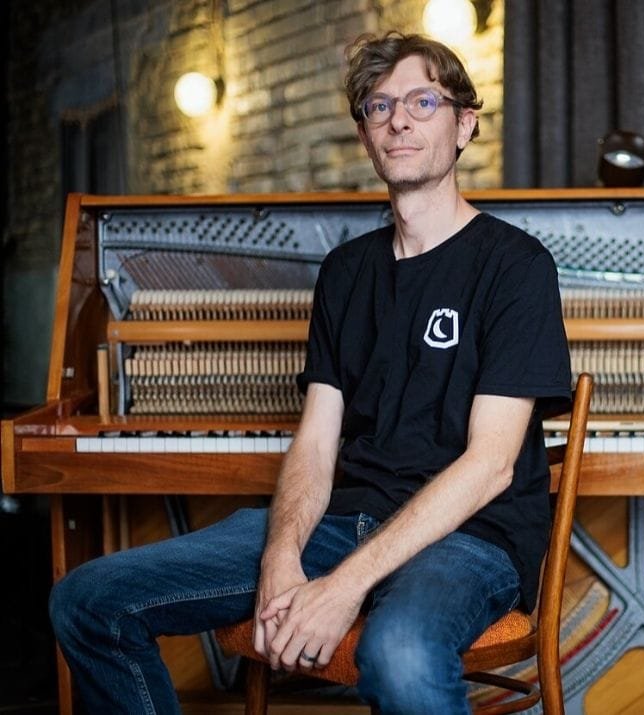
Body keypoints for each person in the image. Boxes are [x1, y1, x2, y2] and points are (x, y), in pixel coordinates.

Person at [49, 31, 571, 714]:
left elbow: (490, 466)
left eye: (421, 101)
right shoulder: (346, 273)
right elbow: (318, 439)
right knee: (88, 600)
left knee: (401, 652)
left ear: (464, 123)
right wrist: (280, 557)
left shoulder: (514, 265)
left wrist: (342, 586)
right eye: (378, 107)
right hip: (340, 520)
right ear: (364, 134)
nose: (399, 120)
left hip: (469, 536)